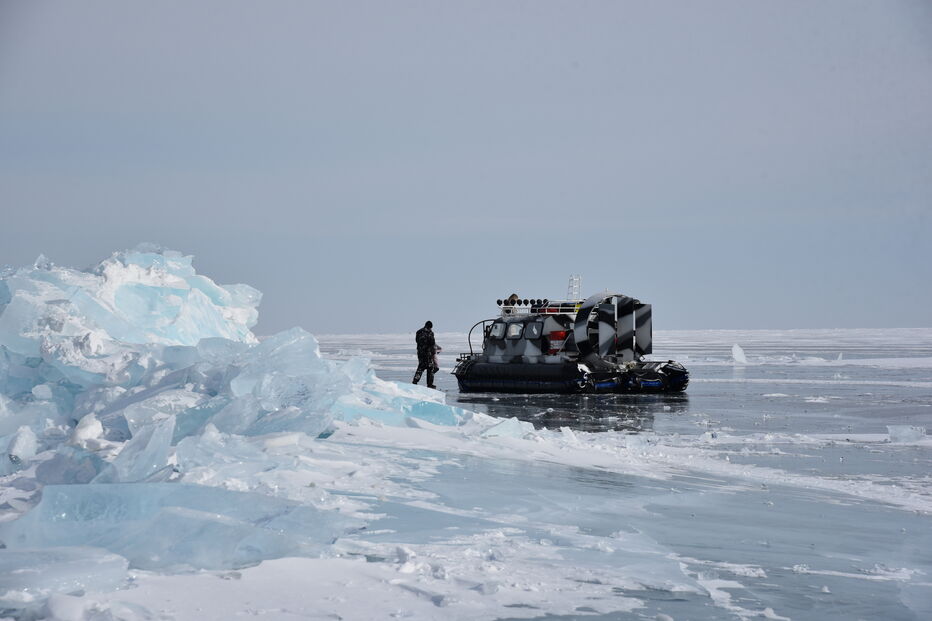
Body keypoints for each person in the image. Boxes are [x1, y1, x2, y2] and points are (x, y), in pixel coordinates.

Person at [412, 320, 438, 388]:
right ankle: (429, 384)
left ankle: (415, 381)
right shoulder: (430, 333)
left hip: (421, 353)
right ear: (430, 327)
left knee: (421, 367)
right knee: (429, 368)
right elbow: (432, 343)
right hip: (427, 353)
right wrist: (433, 352)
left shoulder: (419, 331)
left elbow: (417, 341)